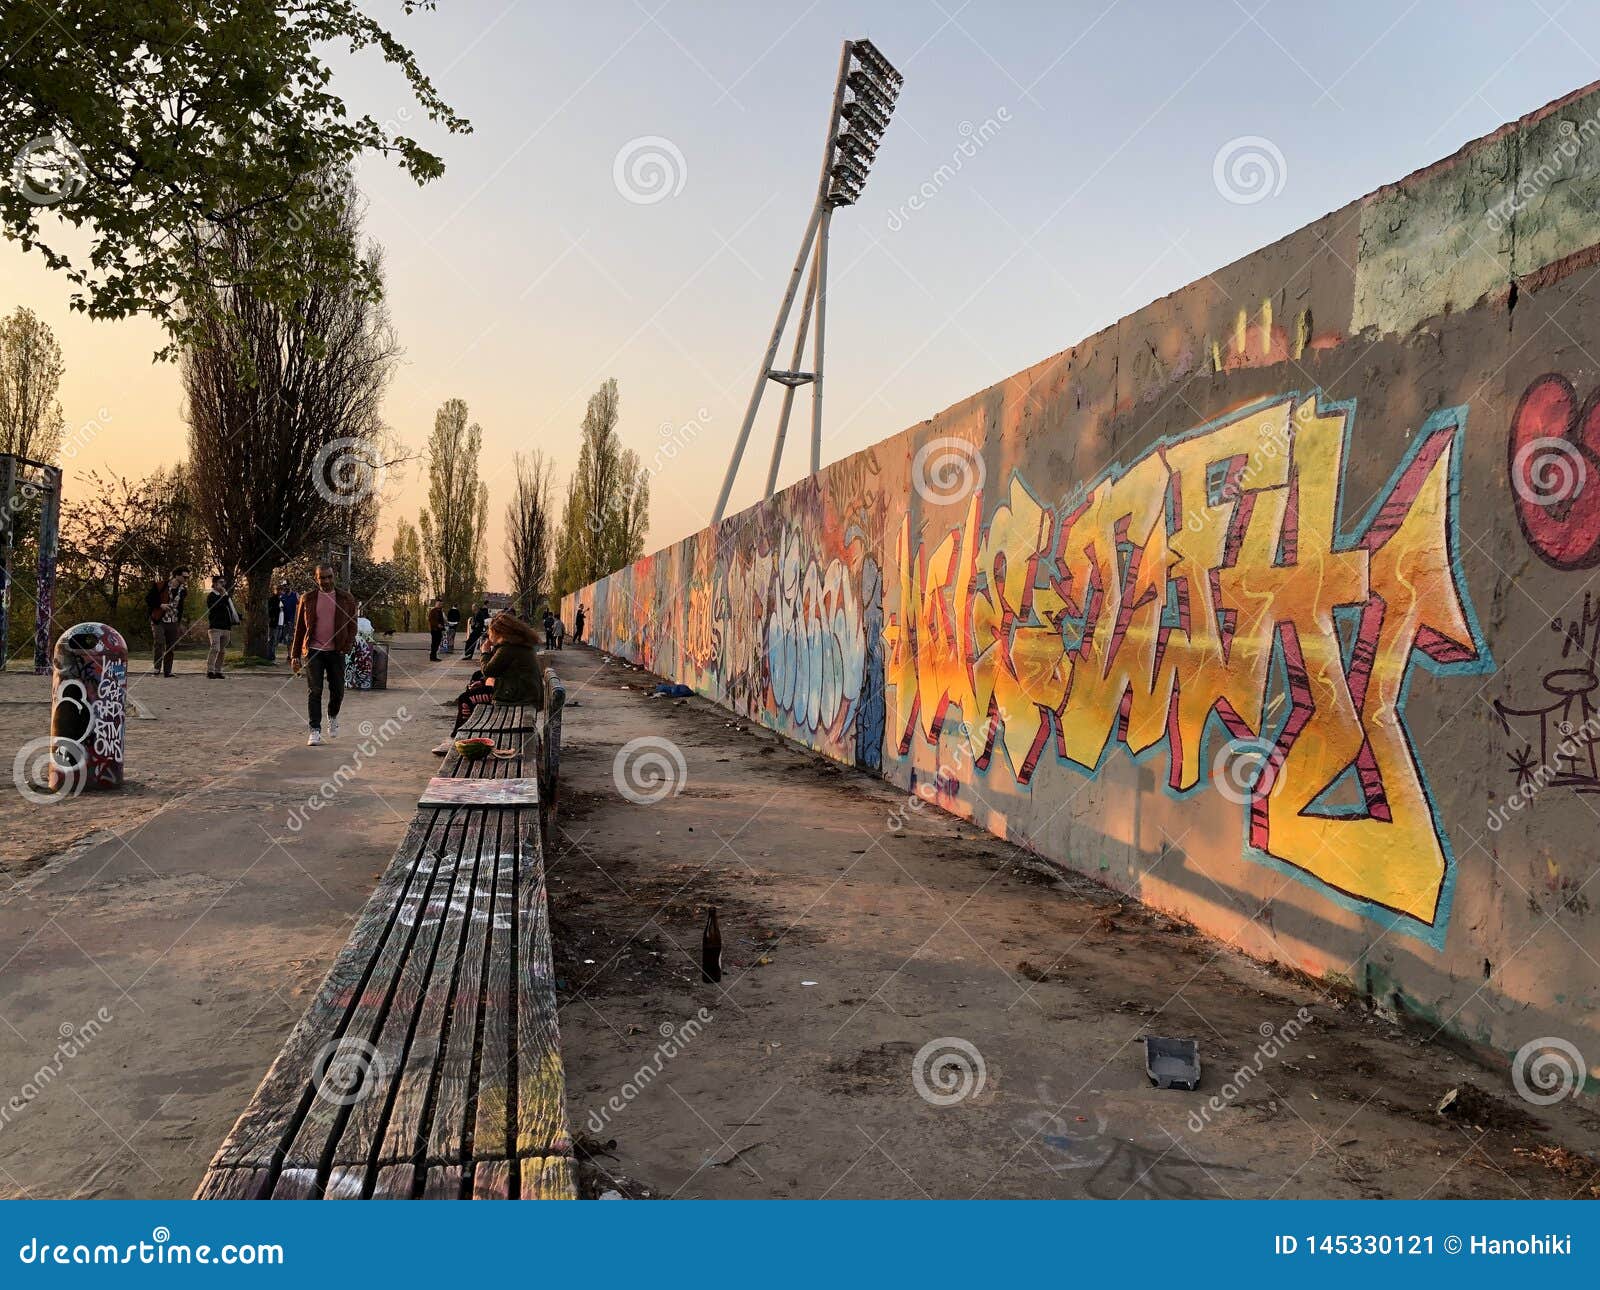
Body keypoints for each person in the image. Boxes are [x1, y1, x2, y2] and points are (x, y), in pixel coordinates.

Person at [291, 564, 358, 746]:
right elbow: (300, 628)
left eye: (329, 577)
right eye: (322, 578)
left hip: (336, 651)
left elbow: (353, 625)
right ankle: (314, 730)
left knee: (337, 691)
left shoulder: (346, 598)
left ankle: (332, 715)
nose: (326, 581)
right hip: (314, 651)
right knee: (315, 691)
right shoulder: (308, 598)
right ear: (316, 578)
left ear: (333, 576)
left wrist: (347, 645)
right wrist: (295, 654)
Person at [480, 612, 545, 707]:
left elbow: (488, 671)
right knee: (481, 683)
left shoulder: (508, 647)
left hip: (520, 698)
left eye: (490, 632)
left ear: (498, 632)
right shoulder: (520, 642)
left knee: (467, 698)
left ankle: (473, 722)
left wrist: (485, 652)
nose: (489, 635)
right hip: (527, 693)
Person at [145, 566, 189, 677]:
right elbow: (149, 599)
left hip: (173, 620)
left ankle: (167, 671)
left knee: (171, 646)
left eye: (188, 577)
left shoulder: (183, 591)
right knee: (159, 642)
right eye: (184, 577)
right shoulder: (160, 585)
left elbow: (181, 607)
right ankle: (156, 668)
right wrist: (160, 605)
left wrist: (179, 622)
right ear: (177, 575)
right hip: (159, 619)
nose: (186, 579)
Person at [205, 574, 240, 679]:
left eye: (223, 583)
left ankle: (218, 671)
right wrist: (224, 595)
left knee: (222, 650)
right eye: (220, 582)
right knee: (215, 648)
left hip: (226, 627)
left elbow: (229, 609)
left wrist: (238, 617)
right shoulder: (212, 596)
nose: (223, 585)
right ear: (215, 584)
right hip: (215, 627)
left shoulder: (225, 597)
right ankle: (210, 671)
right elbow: (218, 606)